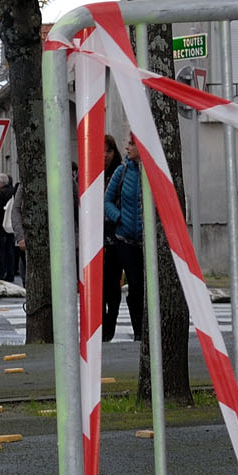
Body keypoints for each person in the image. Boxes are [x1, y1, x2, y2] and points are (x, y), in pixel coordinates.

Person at [103, 141, 145, 341]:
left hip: (147, 242)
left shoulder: (150, 171)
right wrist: (118, 217)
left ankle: (147, 327)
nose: (127, 148)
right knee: (135, 285)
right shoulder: (122, 171)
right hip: (125, 239)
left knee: (145, 286)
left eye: (131, 144)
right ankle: (139, 331)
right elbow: (107, 200)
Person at [0, 171, 18, 281]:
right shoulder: (14, 192)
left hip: (1, 226)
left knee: (1, 251)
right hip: (12, 226)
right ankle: (11, 273)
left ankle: (0, 274)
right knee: (10, 251)